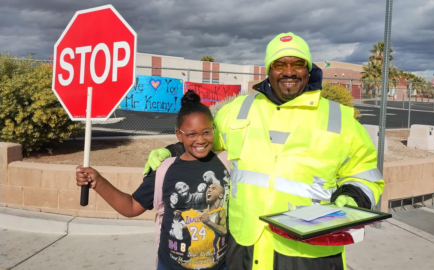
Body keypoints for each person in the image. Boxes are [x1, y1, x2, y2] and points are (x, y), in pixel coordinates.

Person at [143, 32, 385, 270]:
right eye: (280, 64)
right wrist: (171, 150)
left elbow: (365, 175)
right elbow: (205, 140)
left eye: (297, 63)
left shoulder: (339, 119)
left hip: (309, 251)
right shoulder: (238, 110)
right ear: (269, 70)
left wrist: (348, 202)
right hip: (244, 246)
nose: (289, 71)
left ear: (308, 70)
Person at [76, 90, 230, 270]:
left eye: (206, 132)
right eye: (191, 134)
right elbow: (131, 206)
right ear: (178, 135)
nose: (200, 139)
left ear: (214, 130)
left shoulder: (227, 165)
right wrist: (98, 181)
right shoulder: (164, 171)